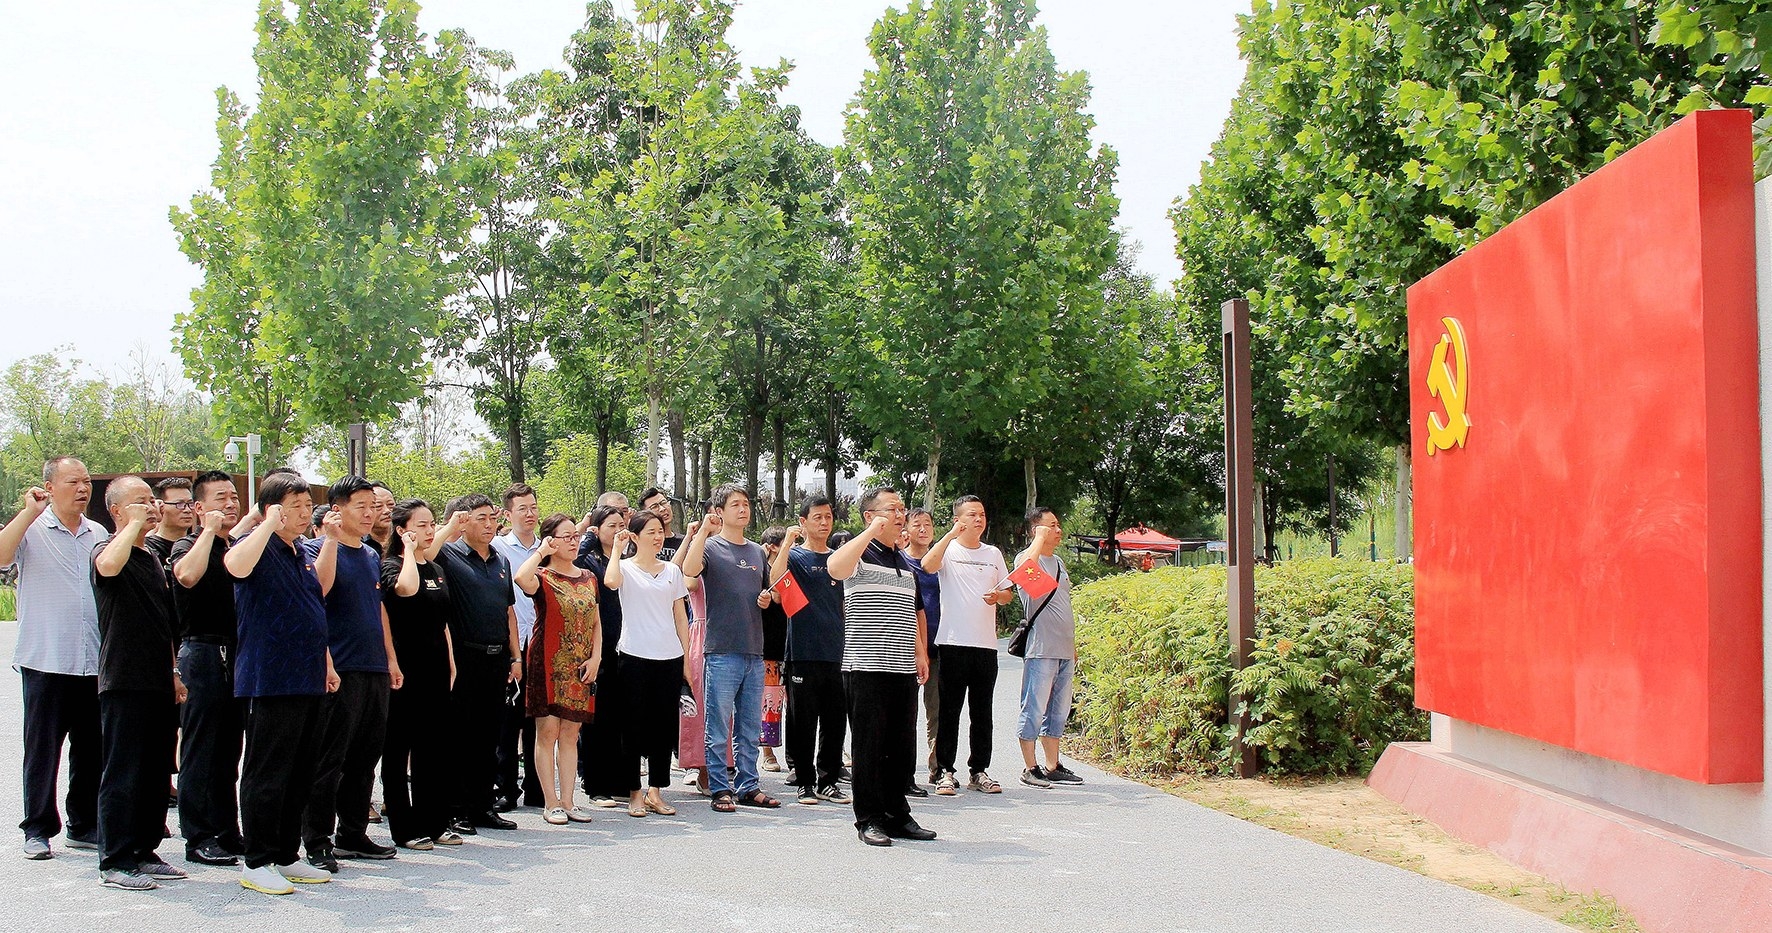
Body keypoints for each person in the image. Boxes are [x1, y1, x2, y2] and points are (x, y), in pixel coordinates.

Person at [225, 471, 339, 895]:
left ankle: (286, 854)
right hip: (271, 677)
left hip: (308, 674)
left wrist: (326, 663)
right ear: (272, 509)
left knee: (300, 771)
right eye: (296, 507)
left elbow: (318, 595)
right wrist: (266, 523)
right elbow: (235, 566)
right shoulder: (255, 544)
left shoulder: (301, 550)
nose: (306, 513)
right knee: (267, 771)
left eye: (308, 505)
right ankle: (256, 860)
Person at [0, 456, 106, 861]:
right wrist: (29, 511)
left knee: (91, 748)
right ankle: (38, 828)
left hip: (92, 657)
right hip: (46, 657)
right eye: (73, 482)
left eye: (86, 481)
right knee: (43, 748)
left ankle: (83, 824)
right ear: (49, 486)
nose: (83, 489)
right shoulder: (32, 529)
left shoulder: (98, 532)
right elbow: (1, 557)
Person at [90, 477, 185, 890]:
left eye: (151, 500)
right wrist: (130, 526)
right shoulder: (107, 549)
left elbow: (165, 625)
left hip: (158, 679)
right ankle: (115, 860)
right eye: (139, 502)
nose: (150, 507)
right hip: (124, 678)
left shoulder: (152, 558)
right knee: (123, 770)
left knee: (155, 770)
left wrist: (174, 672)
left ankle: (145, 850)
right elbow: (108, 567)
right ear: (116, 511)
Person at [827, 487, 935, 847]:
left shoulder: (904, 562)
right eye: (892, 509)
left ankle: (897, 815)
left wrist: (920, 653)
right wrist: (872, 531)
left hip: (902, 668)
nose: (900, 515)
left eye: (902, 509)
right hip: (866, 666)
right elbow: (835, 568)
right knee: (869, 747)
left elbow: (912, 612)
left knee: (899, 747)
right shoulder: (858, 553)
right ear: (870, 516)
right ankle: (869, 818)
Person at [301, 476, 398, 872]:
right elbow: (316, 599)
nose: (371, 513)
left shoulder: (372, 555)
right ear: (337, 509)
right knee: (330, 759)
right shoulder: (317, 549)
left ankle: (352, 834)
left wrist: (391, 659)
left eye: (374, 505)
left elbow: (377, 610)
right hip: (339, 668)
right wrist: (325, 661)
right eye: (362, 506)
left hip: (373, 666)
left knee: (364, 756)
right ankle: (316, 840)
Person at [679, 484, 778, 812]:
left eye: (746, 503)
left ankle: (749, 785)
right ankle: (720, 788)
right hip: (721, 650)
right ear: (719, 511)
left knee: (749, 727)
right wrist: (702, 533)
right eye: (735, 504)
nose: (743, 509)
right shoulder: (710, 547)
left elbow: (767, 592)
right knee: (718, 725)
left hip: (754, 649)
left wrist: (765, 599)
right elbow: (689, 571)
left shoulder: (757, 551)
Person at [429, 494, 521, 833]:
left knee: (488, 736)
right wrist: (450, 527)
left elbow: (508, 611)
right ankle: (456, 809)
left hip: (497, 658)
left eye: (492, 518)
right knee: (459, 736)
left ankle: (482, 806)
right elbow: (425, 555)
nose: (489, 524)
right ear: (464, 521)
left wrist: (516, 656)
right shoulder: (448, 555)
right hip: (463, 657)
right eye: (480, 518)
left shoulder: (501, 560)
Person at [169, 470, 246, 866]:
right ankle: (197, 836)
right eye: (220, 498)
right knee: (200, 749)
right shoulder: (187, 545)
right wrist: (208, 531)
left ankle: (226, 830)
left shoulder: (236, 547)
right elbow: (187, 576)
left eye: (233, 497)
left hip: (236, 653)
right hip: (201, 651)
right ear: (199, 508)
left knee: (229, 751)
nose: (230, 504)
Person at [380, 500, 460, 851]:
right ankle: (404, 827)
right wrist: (410, 552)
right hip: (404, 666)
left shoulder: (437, 569)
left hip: (436, 664)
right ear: (402, 530)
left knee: (434, 746)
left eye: (432, 524)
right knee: (399, 747)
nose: (430, 531)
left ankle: (435, 821)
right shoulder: (392, 566)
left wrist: (451, 660)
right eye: (422, 525)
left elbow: (442, 619)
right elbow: (406, 589)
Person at [921, 495, 1014, 796]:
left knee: (982, 712)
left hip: (985, 645)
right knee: (949, 711)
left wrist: (998, 597)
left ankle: (979, 770)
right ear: (958, 519)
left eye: (982, 514)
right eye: (972, 514)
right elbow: (927, 565)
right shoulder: (948, 550)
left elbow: (1008, 593)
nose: (978, 519)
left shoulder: (993, 554)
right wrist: (950, 535)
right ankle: (945, 771)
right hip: (952, 642)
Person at [513, 513, 600, 826]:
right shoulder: (542, 576)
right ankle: (551, 802)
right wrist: (542, 551)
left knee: (571, 733)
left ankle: (569, 800)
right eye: (566, 537)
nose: (574, 542)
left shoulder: (588, 577)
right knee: (547, 732)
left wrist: (596, 657)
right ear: (551, 539)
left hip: (581, 663)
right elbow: (521, 578)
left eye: (576, 536)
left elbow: (596, 621)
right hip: (547, 661)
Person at [604, 509, 691, 818]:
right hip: (634, 655)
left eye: (659, 532)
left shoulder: (672, 571)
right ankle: (634, 792)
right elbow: (610, 582)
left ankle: (656, 790)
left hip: (669, 656)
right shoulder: (625, 568)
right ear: (636, 536)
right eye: (650, 532)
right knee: (633, 726)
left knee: (663, 727)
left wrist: (686, 659)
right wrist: (617, 549)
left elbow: (680, 617)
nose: (657, 537)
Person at [769, 495, 850, 807]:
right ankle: (804, 781)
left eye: (828, 516)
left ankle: (828, 781)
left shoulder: (839, 559)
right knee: (803, 720)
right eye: (817, 517)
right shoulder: (796, 556)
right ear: (803, 522)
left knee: (834, 721)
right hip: (802, 651)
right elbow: (775, 581)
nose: (824, 522)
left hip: (836, 652)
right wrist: (788, 543)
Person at [1013, 507, 1084, 789]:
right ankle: (1030, 767)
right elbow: (1028, 578)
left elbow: (1063, 605)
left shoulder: (1059, 563)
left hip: (1063, 648)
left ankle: (1053, 765)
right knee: (1034, 707)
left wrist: (1072, 645)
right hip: (1041, 648)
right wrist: (1038, 541)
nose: (1058, 530)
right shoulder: (1026, 559)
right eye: (1050, 526)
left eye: (1057, 525)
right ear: (1036, 530)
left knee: (1058, 710)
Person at [491, 483, 545, 812]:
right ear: (508, 514)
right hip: (511, 643)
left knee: (538, 719)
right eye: (522, 508)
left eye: (533, 507)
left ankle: (538, 788)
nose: (529, 514)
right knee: (507, 722)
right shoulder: (497, 548)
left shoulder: (547, 548)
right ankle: (505, 788)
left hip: (541, 643)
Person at [574, 505, 630, 807]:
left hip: (628, 644)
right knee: (598, 717)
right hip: (599, 645)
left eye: (622, 524)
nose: (619, 530)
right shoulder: (590, 560)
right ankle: (596, 783)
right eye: (611, 525)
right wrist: (588, 536)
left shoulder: (629, 559)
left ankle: (621, 780)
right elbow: (573, 561)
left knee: (622, 717)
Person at [903, 508, 943, 784]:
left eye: (927, 524)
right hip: (906, 647)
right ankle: (904, 773)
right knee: (905, 712)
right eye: (916, 524)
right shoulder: (900, 561)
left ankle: (937, 768)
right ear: (905, 530)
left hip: (939, 645)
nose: (923, 529)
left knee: (937, 711)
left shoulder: (942, 562)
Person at [757, 526, 790, 774]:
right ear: (771, 547)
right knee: (770, 703)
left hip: (792, 646)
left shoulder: (793, 570)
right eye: (785, 544)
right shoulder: (759, 571)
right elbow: (776, 597)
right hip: (767, 647)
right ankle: (767, 751)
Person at [145, 476, 196, 567]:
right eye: (179, 504)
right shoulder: (148, 547)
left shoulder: (198, 545)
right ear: (160, 506)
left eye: (190, 503)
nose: (187, 510)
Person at [365, 481, 396, 557]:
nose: (387, 511)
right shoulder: (358, 544)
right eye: (378, 506)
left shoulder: (407, 542)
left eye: (390, 505)